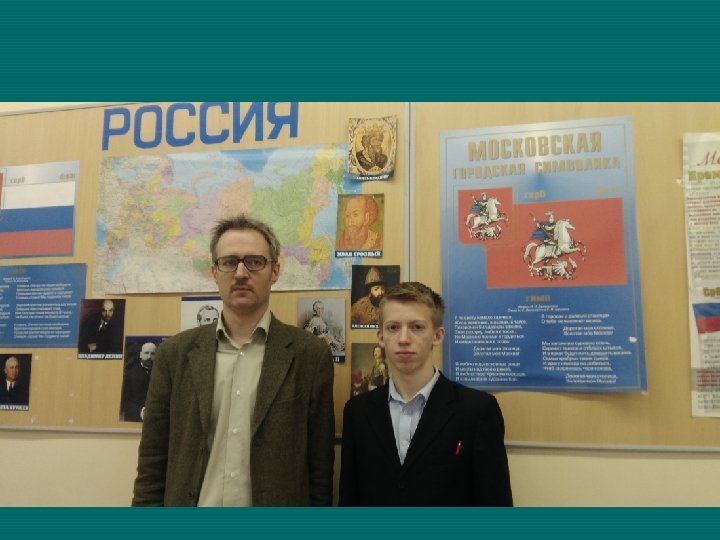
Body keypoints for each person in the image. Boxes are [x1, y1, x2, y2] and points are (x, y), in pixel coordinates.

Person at [132, 215, 335, 506]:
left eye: (254, 262)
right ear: (214, 271)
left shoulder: (310, 356)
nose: (240, 273)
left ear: (275, 271)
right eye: (229, 262)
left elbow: (320, 470)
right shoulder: (174, 354)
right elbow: (152, 462)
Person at [339, 281, 513, 506]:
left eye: (417, 327)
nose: (403, 338)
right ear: (381, 337)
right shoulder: (357, 412)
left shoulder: (477, 410)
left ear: (437, 336)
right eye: (393, 327)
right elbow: (349, 501)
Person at [120, 341, 157, 422]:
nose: (149, 356)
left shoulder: (162, 375)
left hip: (156, 419)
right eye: (146, 353)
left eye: (153, 354)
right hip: (135, 418)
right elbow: (124, 401)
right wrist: (141, 411)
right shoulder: (129, 375)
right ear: (141, 355)